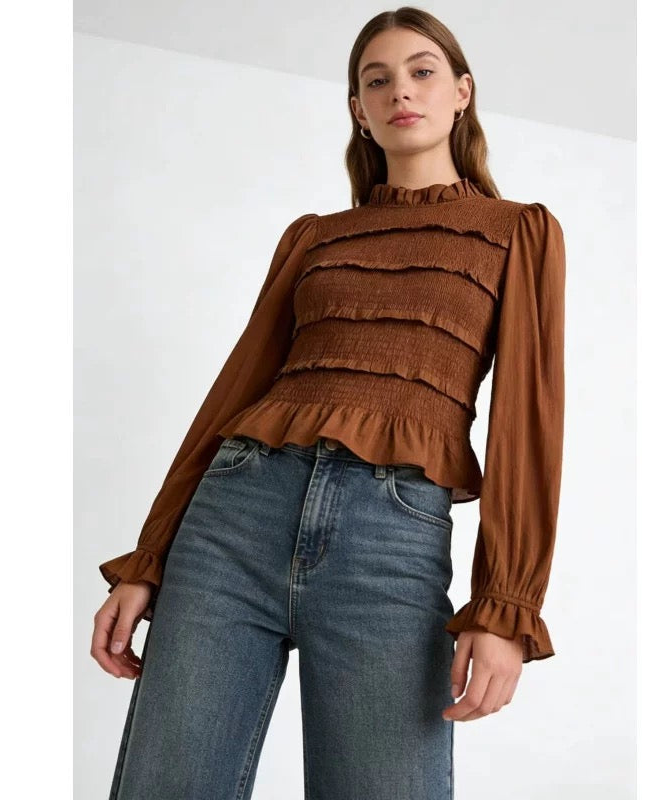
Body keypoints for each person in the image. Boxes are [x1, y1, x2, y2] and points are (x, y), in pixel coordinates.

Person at [90, 7, 566, 799]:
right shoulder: (314, 237)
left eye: (421, 72)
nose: (399, 91)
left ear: (462, 92)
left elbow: (529, 423)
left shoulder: (518, 233)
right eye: (376, 81)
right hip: (233, 521)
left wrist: (504, 605)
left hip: (390, 542)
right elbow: (234, 393)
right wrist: (149, 558)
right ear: (358, 110)